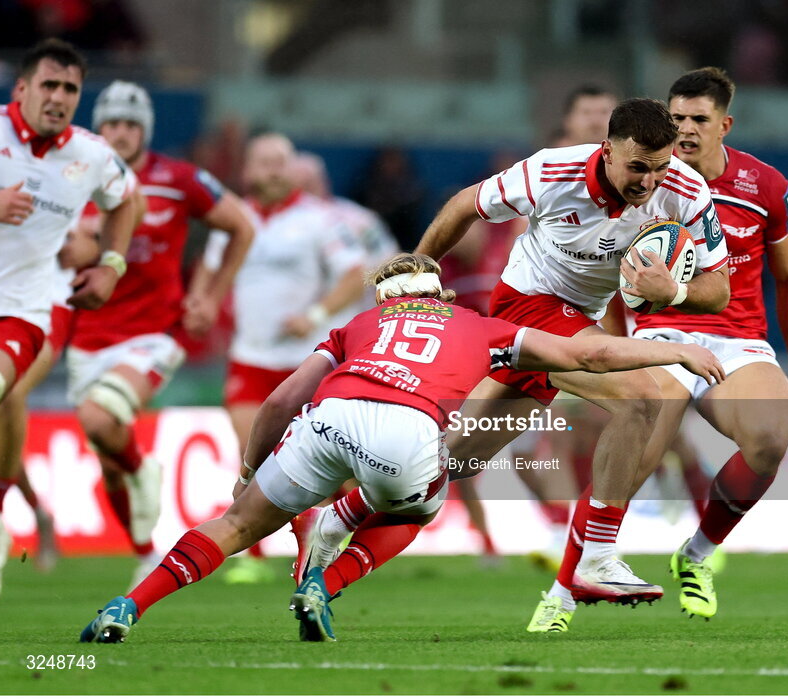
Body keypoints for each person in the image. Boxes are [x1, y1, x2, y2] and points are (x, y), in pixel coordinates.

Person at [79, 252, 725, 643]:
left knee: (237, 523)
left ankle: (125, 606)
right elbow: (590, 352)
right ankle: (324, 582)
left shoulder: (359, 323)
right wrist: (675, 347)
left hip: (328, 416)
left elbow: (280, 401)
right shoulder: (477, 323)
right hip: (408, 432)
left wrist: (250, 469)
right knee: (419, 506)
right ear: (436, 292)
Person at [307, 98, 731, 611]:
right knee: (640, 396)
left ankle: (339, 522)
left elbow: (720, 289)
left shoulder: (685, 190)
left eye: (659, 168)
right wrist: (417, 276)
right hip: (525, 305)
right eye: (637, 167)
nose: (648, 182)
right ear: (608, 151)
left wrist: (676, 292)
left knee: (451, 463)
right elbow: (466, 204)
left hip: (579, 319)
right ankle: (596, 554)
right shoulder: (552, 170)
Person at [537, 66, 788, 630]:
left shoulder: (765, 187)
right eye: (677, 118)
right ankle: (562, 594)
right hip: (659, 339)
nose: (686, 129)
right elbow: (595, 272)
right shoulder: (640, 181)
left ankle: (695, 555)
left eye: (699, 119)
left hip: (738, 342)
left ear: (725, 124)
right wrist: (611, 349)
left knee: (769, 439)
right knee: (631, 460)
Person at [66, 80, 255, 587]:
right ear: (98, 128)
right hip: (87, 337)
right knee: (108, 461)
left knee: (97, 417)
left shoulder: (178, 178)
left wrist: (210, 295)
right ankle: (145, 551)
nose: (120, 133)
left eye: (130, 124)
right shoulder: (74, 177)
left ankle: (145, 472)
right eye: (111, 123)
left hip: (157, 332)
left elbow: (242, 225)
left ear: (144, 130)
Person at [0, 39, 139, 604]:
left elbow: (127, 200)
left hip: (22, 311)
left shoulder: (89, 155)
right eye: (49, 84)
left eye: (70, 88)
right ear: (21, 88)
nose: (59, 97)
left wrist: (111, 265)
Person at [197, 134, 367, 581]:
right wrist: (204, 301)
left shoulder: (320, 219)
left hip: (304, 361)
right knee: (251, 454)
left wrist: (314, 314)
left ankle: (330, 537)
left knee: (319, 461)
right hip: (249, 357)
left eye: (280, 163)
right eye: (263, 163)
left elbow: (355, 273)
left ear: (292, 169)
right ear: (248, 170)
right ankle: (251, 557)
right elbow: (212, 271)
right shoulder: (233, 220)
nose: (272, 171)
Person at [550, 85, 619, 148]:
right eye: (586, 113)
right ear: (568, 120)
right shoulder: (549, 159)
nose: (595, 121)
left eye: (604, 112)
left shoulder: (627, 160)